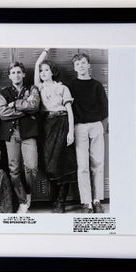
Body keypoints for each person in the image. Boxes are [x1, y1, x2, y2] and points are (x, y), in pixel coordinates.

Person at [34, 50, 77, 213]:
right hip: (46, 125)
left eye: (46, 70)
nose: (43, 73)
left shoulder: (62, 88)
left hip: (62, 123)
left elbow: (70, 111)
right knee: (50, 165)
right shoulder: (39, 87)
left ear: (52, 72)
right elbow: (37, 64)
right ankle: (55, 198)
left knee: (63, 163)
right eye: (41, 71)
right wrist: (45, 49)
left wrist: (71, 132)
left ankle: (60, 201)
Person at [0, 61, 41, 213]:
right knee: (14, 170)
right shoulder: (3, 93)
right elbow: (3, 114)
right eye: (13, 72)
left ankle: (28, 192)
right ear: (9, 76)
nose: (16, 75)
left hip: (28, 133)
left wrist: (14, 103)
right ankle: (22, 200)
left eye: (18, 72)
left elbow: (34, 105)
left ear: (23, 74)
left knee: (32, 167)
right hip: (11, 134)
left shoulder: (32, 88)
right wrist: (25, 109)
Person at [67, 52, 109, 213]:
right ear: (74, 68)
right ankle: (87, 203)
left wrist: (99, 123)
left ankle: (97, 200)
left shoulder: (97, 85)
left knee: (98, 163)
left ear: (89, 65)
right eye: (78, 64)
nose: (81, 66)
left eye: (83, 63)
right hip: (79, 127)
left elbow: (105, 108)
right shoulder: (70, 86)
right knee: (82, 165)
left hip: (96, 126)